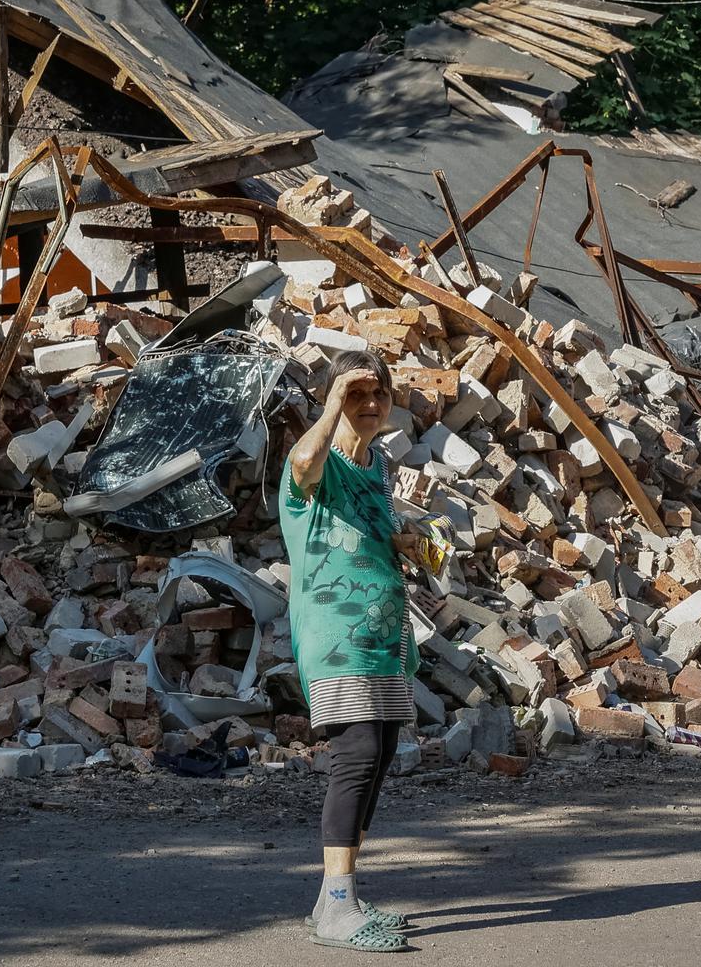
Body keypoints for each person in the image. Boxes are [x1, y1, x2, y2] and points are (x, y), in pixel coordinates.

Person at [280, 349, 421, 953]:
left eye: (378, 394)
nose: (370, 405)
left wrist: (411, 543)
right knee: (356, 753)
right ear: (334, 399)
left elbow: (377, 536)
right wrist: (331, 399)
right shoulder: (317, 463)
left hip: (385, 641)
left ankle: (336, 899)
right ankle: (337, 903)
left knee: (380, 754)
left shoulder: (374, 469)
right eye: (356, 395)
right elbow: (304, 462)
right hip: (337, 639)